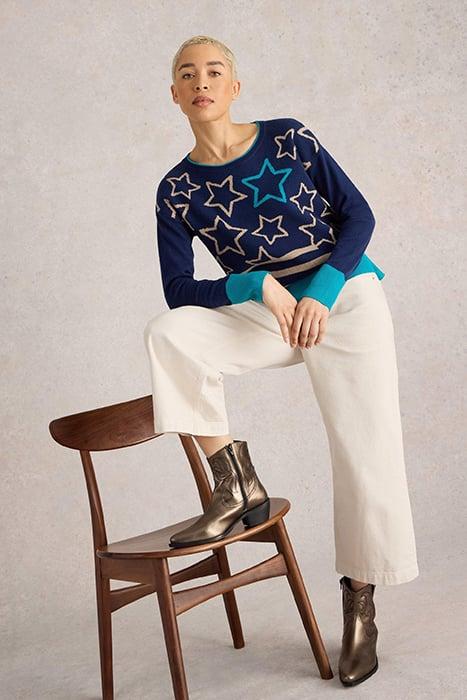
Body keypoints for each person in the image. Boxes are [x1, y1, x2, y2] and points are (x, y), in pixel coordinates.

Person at [143, 35, 419, 687]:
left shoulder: (289, 138)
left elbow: (358, 216)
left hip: (343, 298)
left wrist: (322, 290)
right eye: (188, 74)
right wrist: (256, 285)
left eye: (215, 71)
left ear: (234, 87)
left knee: (366, 449)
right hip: (268, 312)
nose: (202, 82)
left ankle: (359, 604)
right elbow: (178, 291)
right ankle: (236, 483)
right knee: (170, 332)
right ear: (174, 94)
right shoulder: (176, 190)